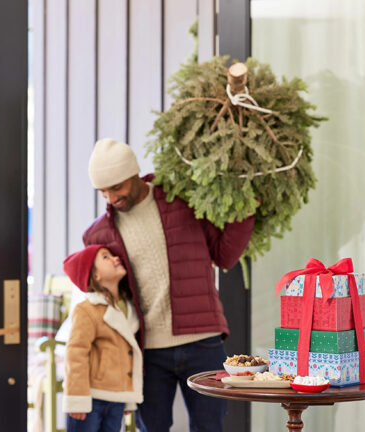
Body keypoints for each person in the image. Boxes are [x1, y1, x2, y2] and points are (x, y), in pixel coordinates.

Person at [82, 138, 255, 432]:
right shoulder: (99, 235)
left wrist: (247, 208)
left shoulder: (182, 199)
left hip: (203, 340)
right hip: (147, 352)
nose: (111, 199)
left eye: (116, 188)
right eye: (103, 192)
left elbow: (224, 255)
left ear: (134, 174)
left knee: (209, 427)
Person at [62, 245, 143, 432]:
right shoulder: (87, 310)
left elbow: (126, 355)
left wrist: (127, 397)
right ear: (96, 276)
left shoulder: (127, 307)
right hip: (90, 399)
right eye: (106, 257)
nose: (115, 258)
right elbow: (76, 354)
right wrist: (77, 399)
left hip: (116, 399)